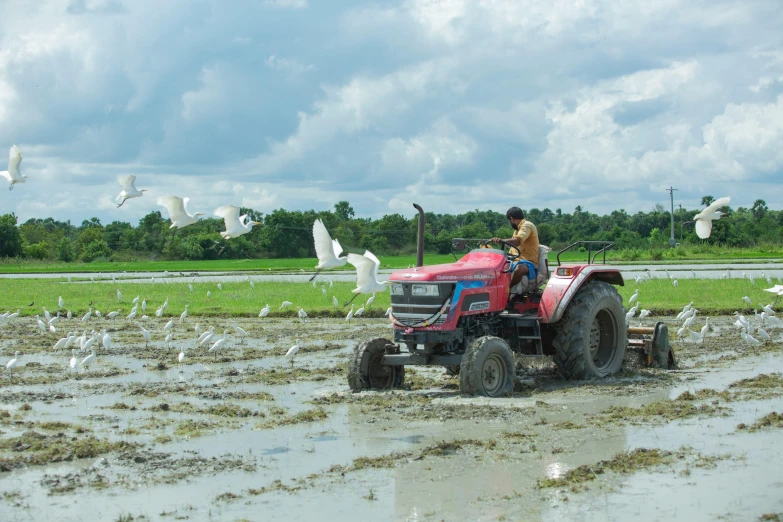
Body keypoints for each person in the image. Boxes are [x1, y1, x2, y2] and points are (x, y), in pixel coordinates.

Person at [491, 207, 539, 288]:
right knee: (494, 267)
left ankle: (508, 289)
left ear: (512, 219)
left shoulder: (527, 225)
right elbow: (513, 248)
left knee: (519, 268)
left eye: (509, 221)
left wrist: (501, 240)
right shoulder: (517, 231)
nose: (510, 223)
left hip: (528, 262)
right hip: (514, 261)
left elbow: (517, 241)